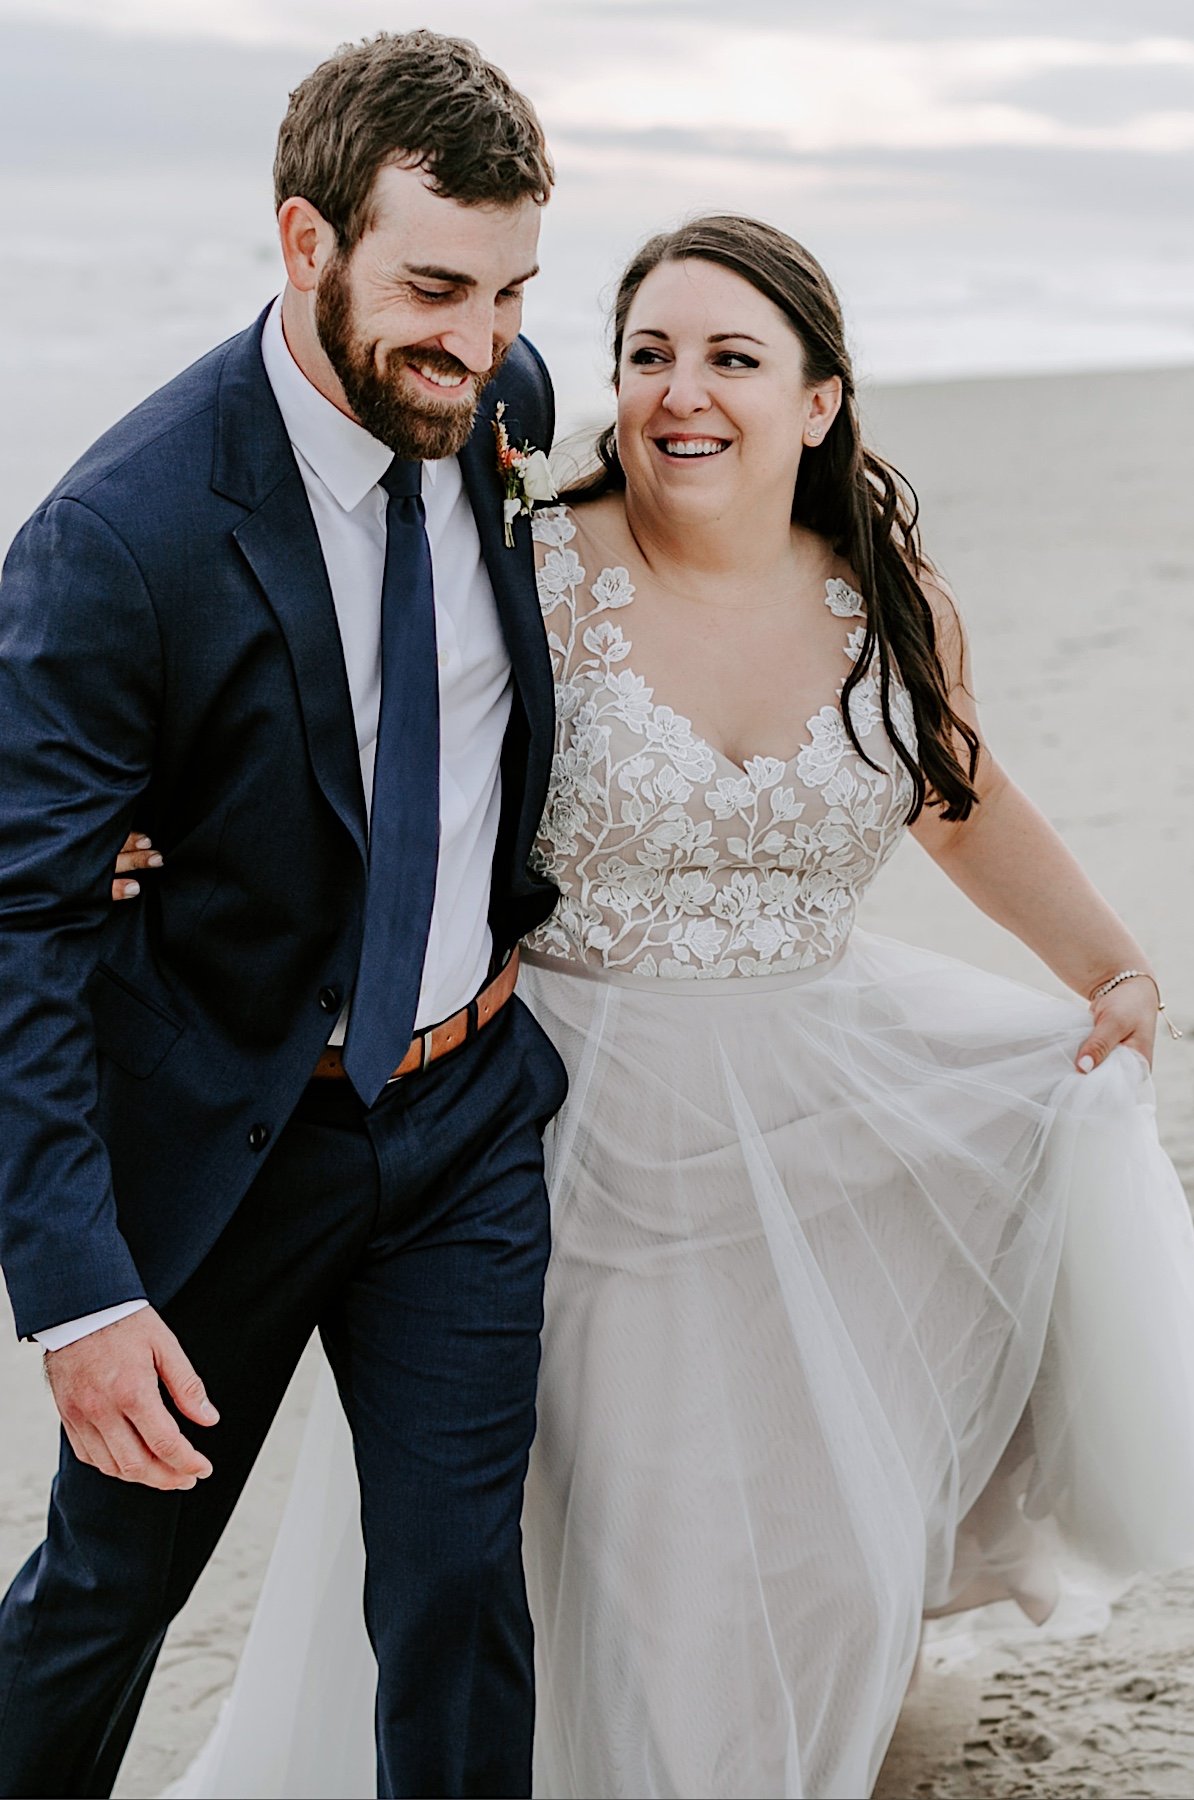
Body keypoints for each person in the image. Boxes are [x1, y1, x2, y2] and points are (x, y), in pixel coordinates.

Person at [153, 214, 1194, 1800]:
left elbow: (959, 797)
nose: (680, 392)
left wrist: (1109, 966)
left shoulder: (886, 594)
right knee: (612, 1534)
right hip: (564, 1126)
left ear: (820, 402)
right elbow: (355, 746)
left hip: (827, 1119)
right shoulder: (536, 568)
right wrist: (150, 826)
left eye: (731, 358)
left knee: (809, 1537)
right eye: (649, 354)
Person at [0, 31, 567, 1800]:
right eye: (433, 287)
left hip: (465, 1115)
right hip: (232, 1138)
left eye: (509, 289)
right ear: (304, 242)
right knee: (110, 1595)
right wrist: (76, 1299)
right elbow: (18, 927)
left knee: (463, 1586)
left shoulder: (496, 407)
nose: (477, 343)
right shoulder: (120, 534)